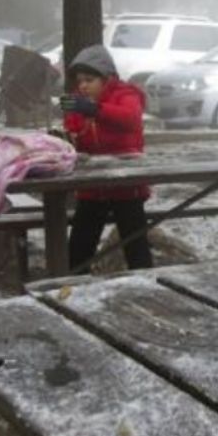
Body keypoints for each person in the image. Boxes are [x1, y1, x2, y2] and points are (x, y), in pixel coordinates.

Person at [58, 44, 154, 272]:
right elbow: (75, 135)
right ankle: (73, 288)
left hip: (127, 185)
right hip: (93, 186)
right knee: (80, 245)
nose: (83, 86)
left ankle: (145, 283)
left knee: (135, 244)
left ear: (107, 78)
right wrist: (65, 136)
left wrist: (94, 110)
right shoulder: (80, 103)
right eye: (80, 81)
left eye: (89, 80)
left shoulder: (126, 94)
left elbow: (130, 119)